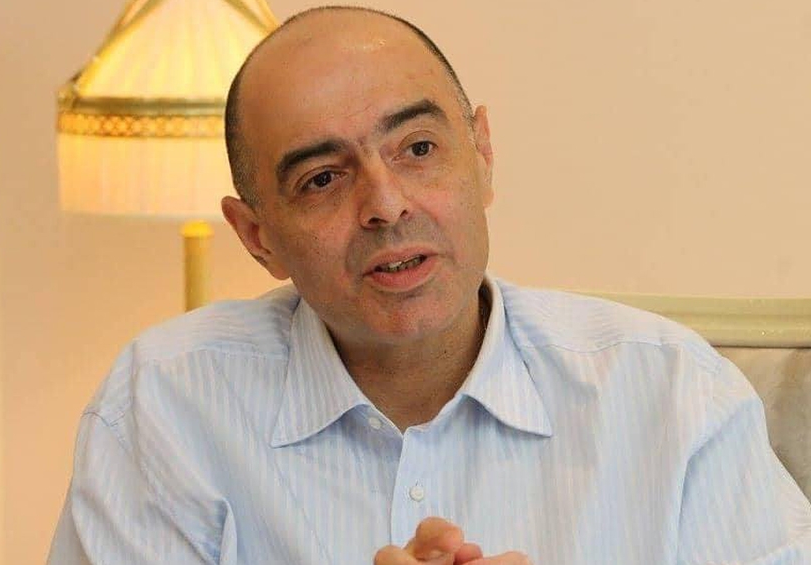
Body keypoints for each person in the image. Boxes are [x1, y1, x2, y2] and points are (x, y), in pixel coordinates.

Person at [47, 6, 811, 565]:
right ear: (257, 236)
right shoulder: (165, 405)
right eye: (322, 178)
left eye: (417, 147)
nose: (385, 204)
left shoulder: (674, 395)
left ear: (483, 154)